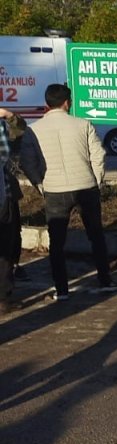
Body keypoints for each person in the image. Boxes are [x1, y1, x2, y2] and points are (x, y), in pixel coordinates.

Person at [21, 84, 117, 300]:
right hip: (86, 185)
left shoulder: (33, 130)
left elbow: (27, 162)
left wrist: (40, 185)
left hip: (54, 189)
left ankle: (62, 289)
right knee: (96, 235)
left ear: (47, 104)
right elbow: (98, 155)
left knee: (57, 243)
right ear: (67, 102)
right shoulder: (83, 124)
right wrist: (96, 179)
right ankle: (106, 279)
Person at [0, 108, 28, 313]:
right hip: (3, 195)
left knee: (8, 244)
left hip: (6, 193)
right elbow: (6, 154)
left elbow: (19, 133)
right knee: (4, 247)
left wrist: (10, 117)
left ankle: (3, 295)